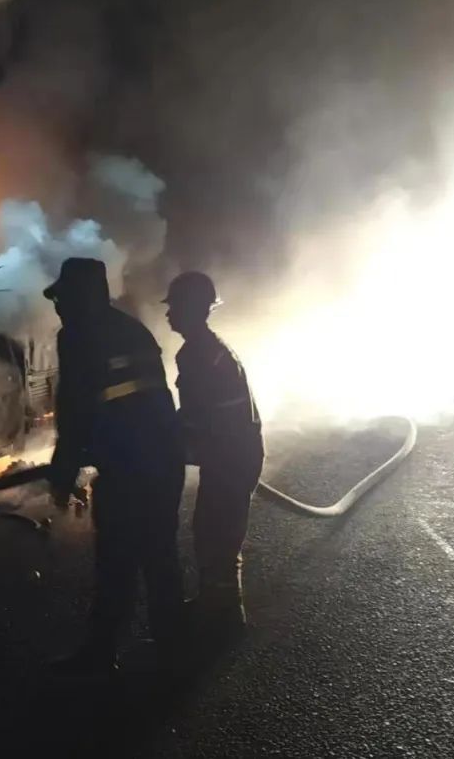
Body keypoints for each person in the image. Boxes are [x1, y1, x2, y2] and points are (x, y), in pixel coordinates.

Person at [45, 258, 186, 673]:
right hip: (163, 461)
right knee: (159, 556)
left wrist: (64, 469)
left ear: (82, 297)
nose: (58, 307)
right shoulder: (132, 329)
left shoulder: (77, 336)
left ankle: (101, 654)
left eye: (63, 298)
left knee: (116, 560)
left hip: (129, 469)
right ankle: (174, 651)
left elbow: (75, 407)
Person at [164, 271, 264, 636]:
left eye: (174, 306)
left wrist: (165, 440)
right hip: (236, 455)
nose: (168, 313)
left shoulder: (197, 354)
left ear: (192, 308)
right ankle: (220, 605)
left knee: (215, 532)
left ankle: (223, 620)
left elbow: (198, 417)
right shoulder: (211, 348)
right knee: (216, 532)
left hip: (229, 459)